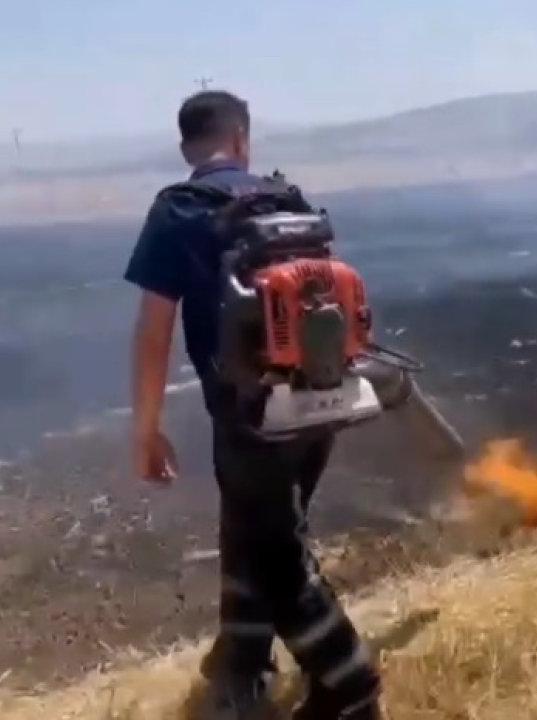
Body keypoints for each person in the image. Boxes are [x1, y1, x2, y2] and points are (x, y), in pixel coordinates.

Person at [124, 90, 382, 720]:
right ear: (241, 139)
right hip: (321, 401)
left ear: (187, 148)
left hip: (250, 413)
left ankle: (351, 687)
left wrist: (146, 429)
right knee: (255, 531)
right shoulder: (287, 200)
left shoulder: (178, 209)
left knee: (274, 557)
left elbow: (154, 329)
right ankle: (243, 661)